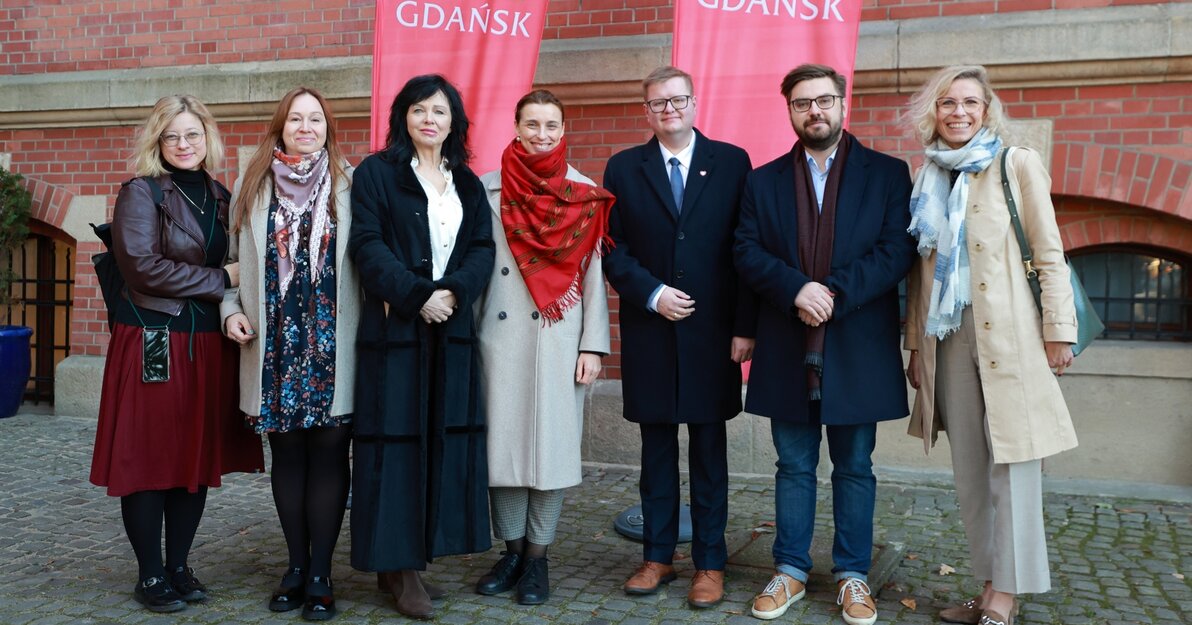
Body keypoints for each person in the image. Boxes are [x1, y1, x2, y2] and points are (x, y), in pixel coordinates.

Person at [733, 64, 915, 625]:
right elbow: (745, 249)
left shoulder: (887, 174)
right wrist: (796, 289)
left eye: (825, 100)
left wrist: (830, 293)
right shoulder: (762, 181)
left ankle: (852, 576)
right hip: (789, 339)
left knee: (855, 465)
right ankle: (789, 569)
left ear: (842, 104)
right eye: (803, 103)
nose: (816, 111)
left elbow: (895, 252)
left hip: (858, 340)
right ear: (789, 111)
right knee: (792, 463)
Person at [903, 65, 1078, 625]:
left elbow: (1049, 252)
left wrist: (1059, 332)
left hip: (1014, 339)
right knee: (972, 471)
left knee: (1014, 465)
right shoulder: (929, 174)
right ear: (935, 112)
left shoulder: (1015, 163)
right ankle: (988, 585)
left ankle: (1007, 595)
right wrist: (915, 347)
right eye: (948, 103)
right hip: (949, 339)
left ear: (987, 109)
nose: (959, 112)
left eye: (970, 103)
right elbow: (920, 275)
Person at [89, 95, 265, 613]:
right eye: (172, 136)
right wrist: (220, 280)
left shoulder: (220, 195)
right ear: (158, 143)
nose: (183, 145)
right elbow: (143, 269)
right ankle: (150, 574)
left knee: (193, 455)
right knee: (148, 460)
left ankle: (180, 565)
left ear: (207, 137)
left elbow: (241, 259)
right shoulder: (140, 194)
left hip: (208, 344)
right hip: (152, 339)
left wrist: (229, 291)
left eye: (192, 134)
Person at [602, 66, 755, 609]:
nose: (668, 109)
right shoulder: (623, 168)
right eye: (657, 103)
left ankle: (710, 563)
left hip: (714, 335)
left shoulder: (732, 162)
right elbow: (611, 247)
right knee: (656, 452)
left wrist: (744, 327)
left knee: (710, 452)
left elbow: (746, 246)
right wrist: (651, 293)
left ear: (694, 103)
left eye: (677, 100)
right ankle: (657, 556)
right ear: (646, 111)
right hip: (650, 331)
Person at [348, 74, 495, 620]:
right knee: (395, 445)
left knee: (440, 439)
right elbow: (367, 244)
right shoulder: (377, 174)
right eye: (418, 110)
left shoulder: (468, 183)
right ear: (402, 118)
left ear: (454, 120)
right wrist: (417, 296)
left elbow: (482, 245)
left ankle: (416, 554)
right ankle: (398, 569)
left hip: (451, 329)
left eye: (439, 111)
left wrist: (453, 292)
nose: (429, 119)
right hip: (396, 331)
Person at [220, 86, 357, 621]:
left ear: (328, 127)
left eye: (316, 119)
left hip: (332, 344)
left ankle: (322, 574)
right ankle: (295, 566)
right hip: (273, 344)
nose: (306, 127)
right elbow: (231, 265)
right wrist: (229, 308)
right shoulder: (251, 187)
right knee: (289, 458)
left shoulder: (350, 185)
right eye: (296, 119)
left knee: (328, 455)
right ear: (280, 127)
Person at [473, 89, 614, 606]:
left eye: (551, 125)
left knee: (550, 452)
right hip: (498, 338)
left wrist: (593, 346)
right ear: (516, 126)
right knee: (503, 451)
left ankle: (538, 559)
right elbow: (475, 269)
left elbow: (594, 273)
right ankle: (511, 552)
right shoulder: (487, 189)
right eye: (532, 124)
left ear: (563, 129)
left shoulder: (583, 192)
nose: (541, 134)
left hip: (559, 337)